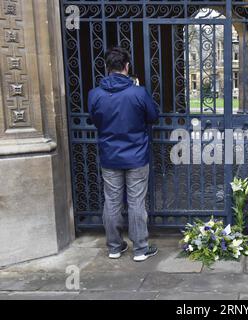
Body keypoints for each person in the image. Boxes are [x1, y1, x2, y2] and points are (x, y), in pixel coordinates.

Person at [88, 47, 159, 262]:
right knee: (136, 202)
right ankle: (140, 249)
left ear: (107, 68)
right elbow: (153, 116)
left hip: (110, 156)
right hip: (136, 156)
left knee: (112, 202)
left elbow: (95, 119)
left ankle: (114, 247)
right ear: (127, 67)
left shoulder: (95, 94)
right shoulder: (138, 92)